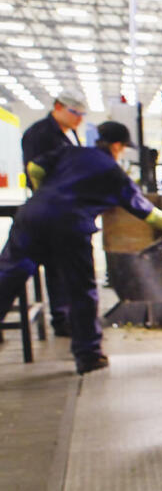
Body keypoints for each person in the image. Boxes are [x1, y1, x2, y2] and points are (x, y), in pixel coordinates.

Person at [0, 121, 162, 374]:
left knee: (9, 275)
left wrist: (45, 193)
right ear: (116, 146)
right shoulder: (111, 171)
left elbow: (34, 166)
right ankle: (88, 356)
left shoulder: (71, 151)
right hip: (70, 226)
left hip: (31, 216)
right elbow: (144, 211)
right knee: (81, 291)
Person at [21, 89, 88, 337]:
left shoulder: (64, 135)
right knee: (56, 265)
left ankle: (66, 316)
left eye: (82, 115)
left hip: (63, 208)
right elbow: (36, 172)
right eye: (75, 113)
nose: (79, 119)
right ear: (58, 107)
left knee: (63, 266)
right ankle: (61, 319)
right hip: (50, 210)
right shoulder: (40, 134)